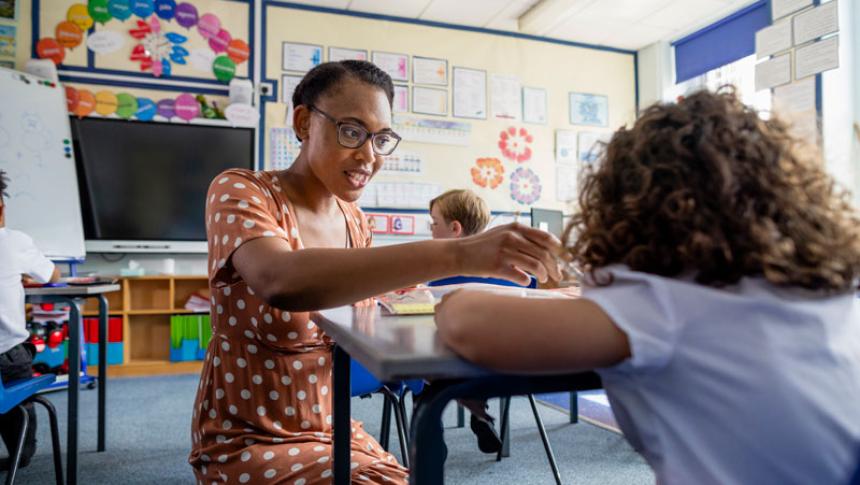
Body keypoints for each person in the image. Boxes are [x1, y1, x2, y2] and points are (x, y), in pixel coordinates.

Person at [435, 89, 860, 484]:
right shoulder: (823, 288)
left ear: (631, 204)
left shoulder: (661, 301)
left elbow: (466, 323)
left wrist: (450, 295)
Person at [188, 60, 561, 485]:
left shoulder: (354, 221)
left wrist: (504, 302)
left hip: (333, 430)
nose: (369, 155)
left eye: (381, 139)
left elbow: (384, 306)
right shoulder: (241, 190)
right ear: (304, 121)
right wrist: (458, 255)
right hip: (247, 438)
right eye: (352, 132)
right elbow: (281, 280)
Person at [426, 189, 506, 454]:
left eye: (434, 224)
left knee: (425, 375)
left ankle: (430, 431)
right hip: (499, 365)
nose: (431, 230)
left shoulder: (437, 270)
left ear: (455, 228)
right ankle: (479, 414)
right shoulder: (503, 266)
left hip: (443, 363)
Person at [0, 169, 61, 470]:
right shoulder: (14, 241)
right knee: (21, 355)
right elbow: (53, 275)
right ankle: (20, 454)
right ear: (1, 207)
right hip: (7, 358)